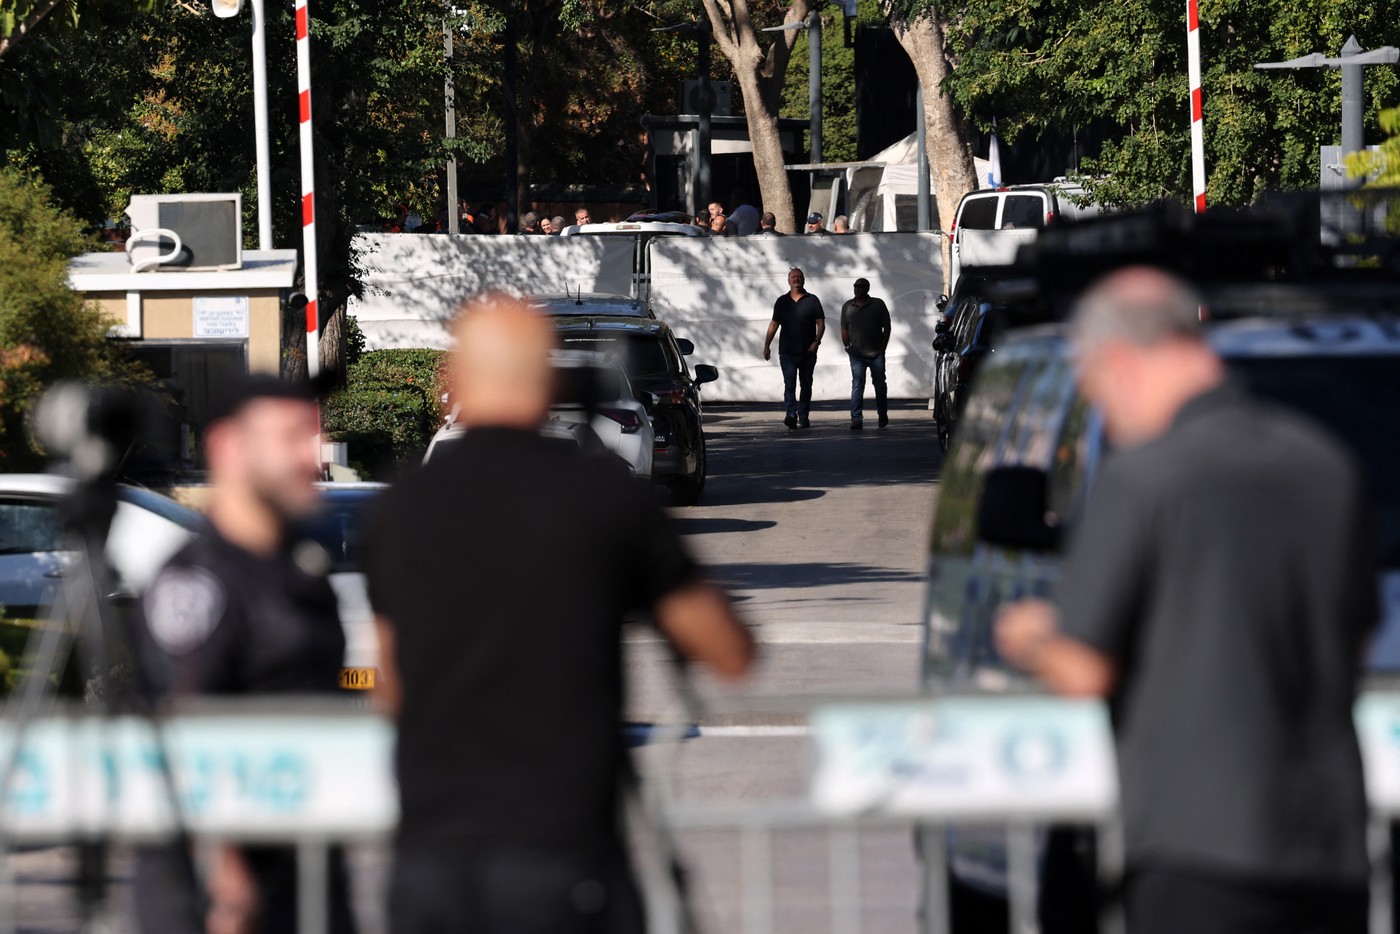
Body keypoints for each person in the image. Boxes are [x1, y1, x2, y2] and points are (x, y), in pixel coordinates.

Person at [995, 266, 1375, 934]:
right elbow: (1354, 640)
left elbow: (1085, 670)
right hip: (1329, 843)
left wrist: (1031, 636)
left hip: (1194, 845)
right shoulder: (1325, 465)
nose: (1106, 410)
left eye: (1097, 388)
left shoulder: (1144, 479)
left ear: (1119, 359)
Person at [366, 294, 755, 934]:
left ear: (456, 381)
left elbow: (390, 686)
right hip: (562, 845)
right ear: (549, 382)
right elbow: (729, 652)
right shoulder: (600, 496)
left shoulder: (400, 509)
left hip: (433, 856)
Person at [134, 374, 356, 934]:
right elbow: (180, 734)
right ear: (229, 449)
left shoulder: (303, 570)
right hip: (226, 898)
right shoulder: (197, 581)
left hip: (305, 876)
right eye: (289, 438)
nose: (313, 456)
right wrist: (223, 872)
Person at [763, 267, 825, 430]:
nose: (796, 279)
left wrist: (817, 341)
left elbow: (820, 322)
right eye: (793, 277)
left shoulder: (812, 300)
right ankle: (791, 414)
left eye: (799, 276)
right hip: (787, 353)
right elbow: (774, 324)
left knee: (806, 384)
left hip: (808, 353)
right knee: (789, 385)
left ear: (803, 280)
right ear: (788, 281)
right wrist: (767, 345)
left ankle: (803, 416)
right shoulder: (781, 301)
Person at [840, 278, 890, 430]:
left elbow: (886, 327)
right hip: (856, 354)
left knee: (880, 385)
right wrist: (847, 346)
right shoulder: (848, 306)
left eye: (861, 286)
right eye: (856, 286)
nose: (858, 288)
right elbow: (844, 328)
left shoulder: (878, 304)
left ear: (867, 288)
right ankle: (856, 418)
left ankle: (882, 414)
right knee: (857, 385)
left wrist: (882, 349)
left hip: (876, 353)